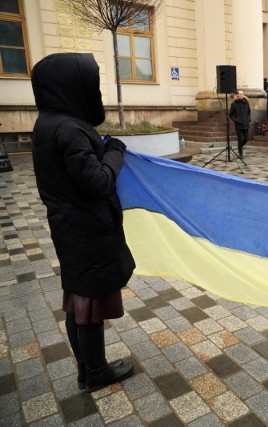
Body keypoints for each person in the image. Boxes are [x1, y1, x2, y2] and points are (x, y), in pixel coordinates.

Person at [30, 53, 135, 392]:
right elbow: (98, 182)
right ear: (71, 85)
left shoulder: (48, 122)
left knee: (79, 302)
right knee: (88, 305)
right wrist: (116, 151)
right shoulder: (70, 129)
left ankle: (87, 369)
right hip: (87, 230)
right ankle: (96, 373)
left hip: (70, 227)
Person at [228, 90, 251, 159]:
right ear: (237, 95)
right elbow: (231, 114)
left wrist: (248, 119)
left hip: (246, 123)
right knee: (240, 139)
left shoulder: (246, 103)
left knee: (246, 138)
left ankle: (239, 147)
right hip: (238, 125)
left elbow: (249, 111)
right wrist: (236, 120)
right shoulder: (234, 104)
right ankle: (240, 153)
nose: (242, 95)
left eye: (242, 94)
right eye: (240, 94)